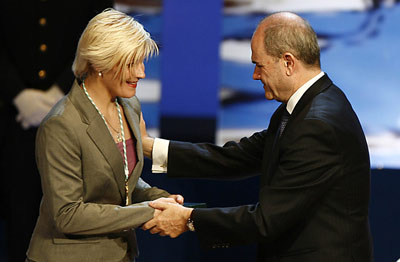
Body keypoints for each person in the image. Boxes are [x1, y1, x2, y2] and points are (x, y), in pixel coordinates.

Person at [141, 12, 373, 261]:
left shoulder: (316, 124)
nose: (255, 75)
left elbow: (266, 220)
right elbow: (236, 157)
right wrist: (150, 147)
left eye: (259, 65)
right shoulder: (306, 105)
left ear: (288, 62)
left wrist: (188, 220)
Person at [25, 8, 183, 262]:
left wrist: (159, 198)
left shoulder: (129, 106)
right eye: (131, 63)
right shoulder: (61, 124)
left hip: (119, 254)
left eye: (142, 62)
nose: (141, 73)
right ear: (99, 62)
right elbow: (68, 215)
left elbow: (120, 177)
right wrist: (147, 211)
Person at [0, 1, 114, 260]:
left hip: (77, 118)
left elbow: (104, 35)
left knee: (76, 219)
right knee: (19, 222)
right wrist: (17, 95)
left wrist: (61, 91)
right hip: (13, 121)